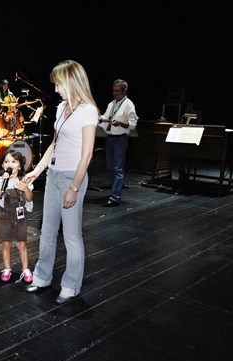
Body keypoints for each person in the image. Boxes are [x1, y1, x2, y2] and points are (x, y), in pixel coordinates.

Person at [22, 60, 98, 305]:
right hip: (54, 175)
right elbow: (55, 144)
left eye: (58, 84)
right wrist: (38, 170)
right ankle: (42, 276)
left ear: (71, 81)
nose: (55, 89)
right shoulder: (61, 108)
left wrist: (74, 187)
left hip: (71, 177)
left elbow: (87, 154)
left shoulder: (87, 110)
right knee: (47, 231)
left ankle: (71, 285)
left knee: (72, 236)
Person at [0, 150, 34, 283]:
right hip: (4, 216)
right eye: (6, 162)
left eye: (13, 161)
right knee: (6, 244)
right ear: (3, 166)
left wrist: (25, 188)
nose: (9, 164)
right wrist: (4, 180)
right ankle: (7, 268)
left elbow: (29, 198)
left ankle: (25, 268)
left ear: (19, 166)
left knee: (22, 243)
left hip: (19, 216)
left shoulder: (24, 180)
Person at [99, 79, 138, 207]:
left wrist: (120, 123)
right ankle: (113, 191)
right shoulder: (111, 104)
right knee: (110, 167)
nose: (115, 93)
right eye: (113, 90)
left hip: (120, 139)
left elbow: (132, 124)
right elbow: (105, 118)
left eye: (117, 90)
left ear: (124, 91)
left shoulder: (128, 105)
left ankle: (115, 197)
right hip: (109, 138)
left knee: (117, 168)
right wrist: (100, 118)